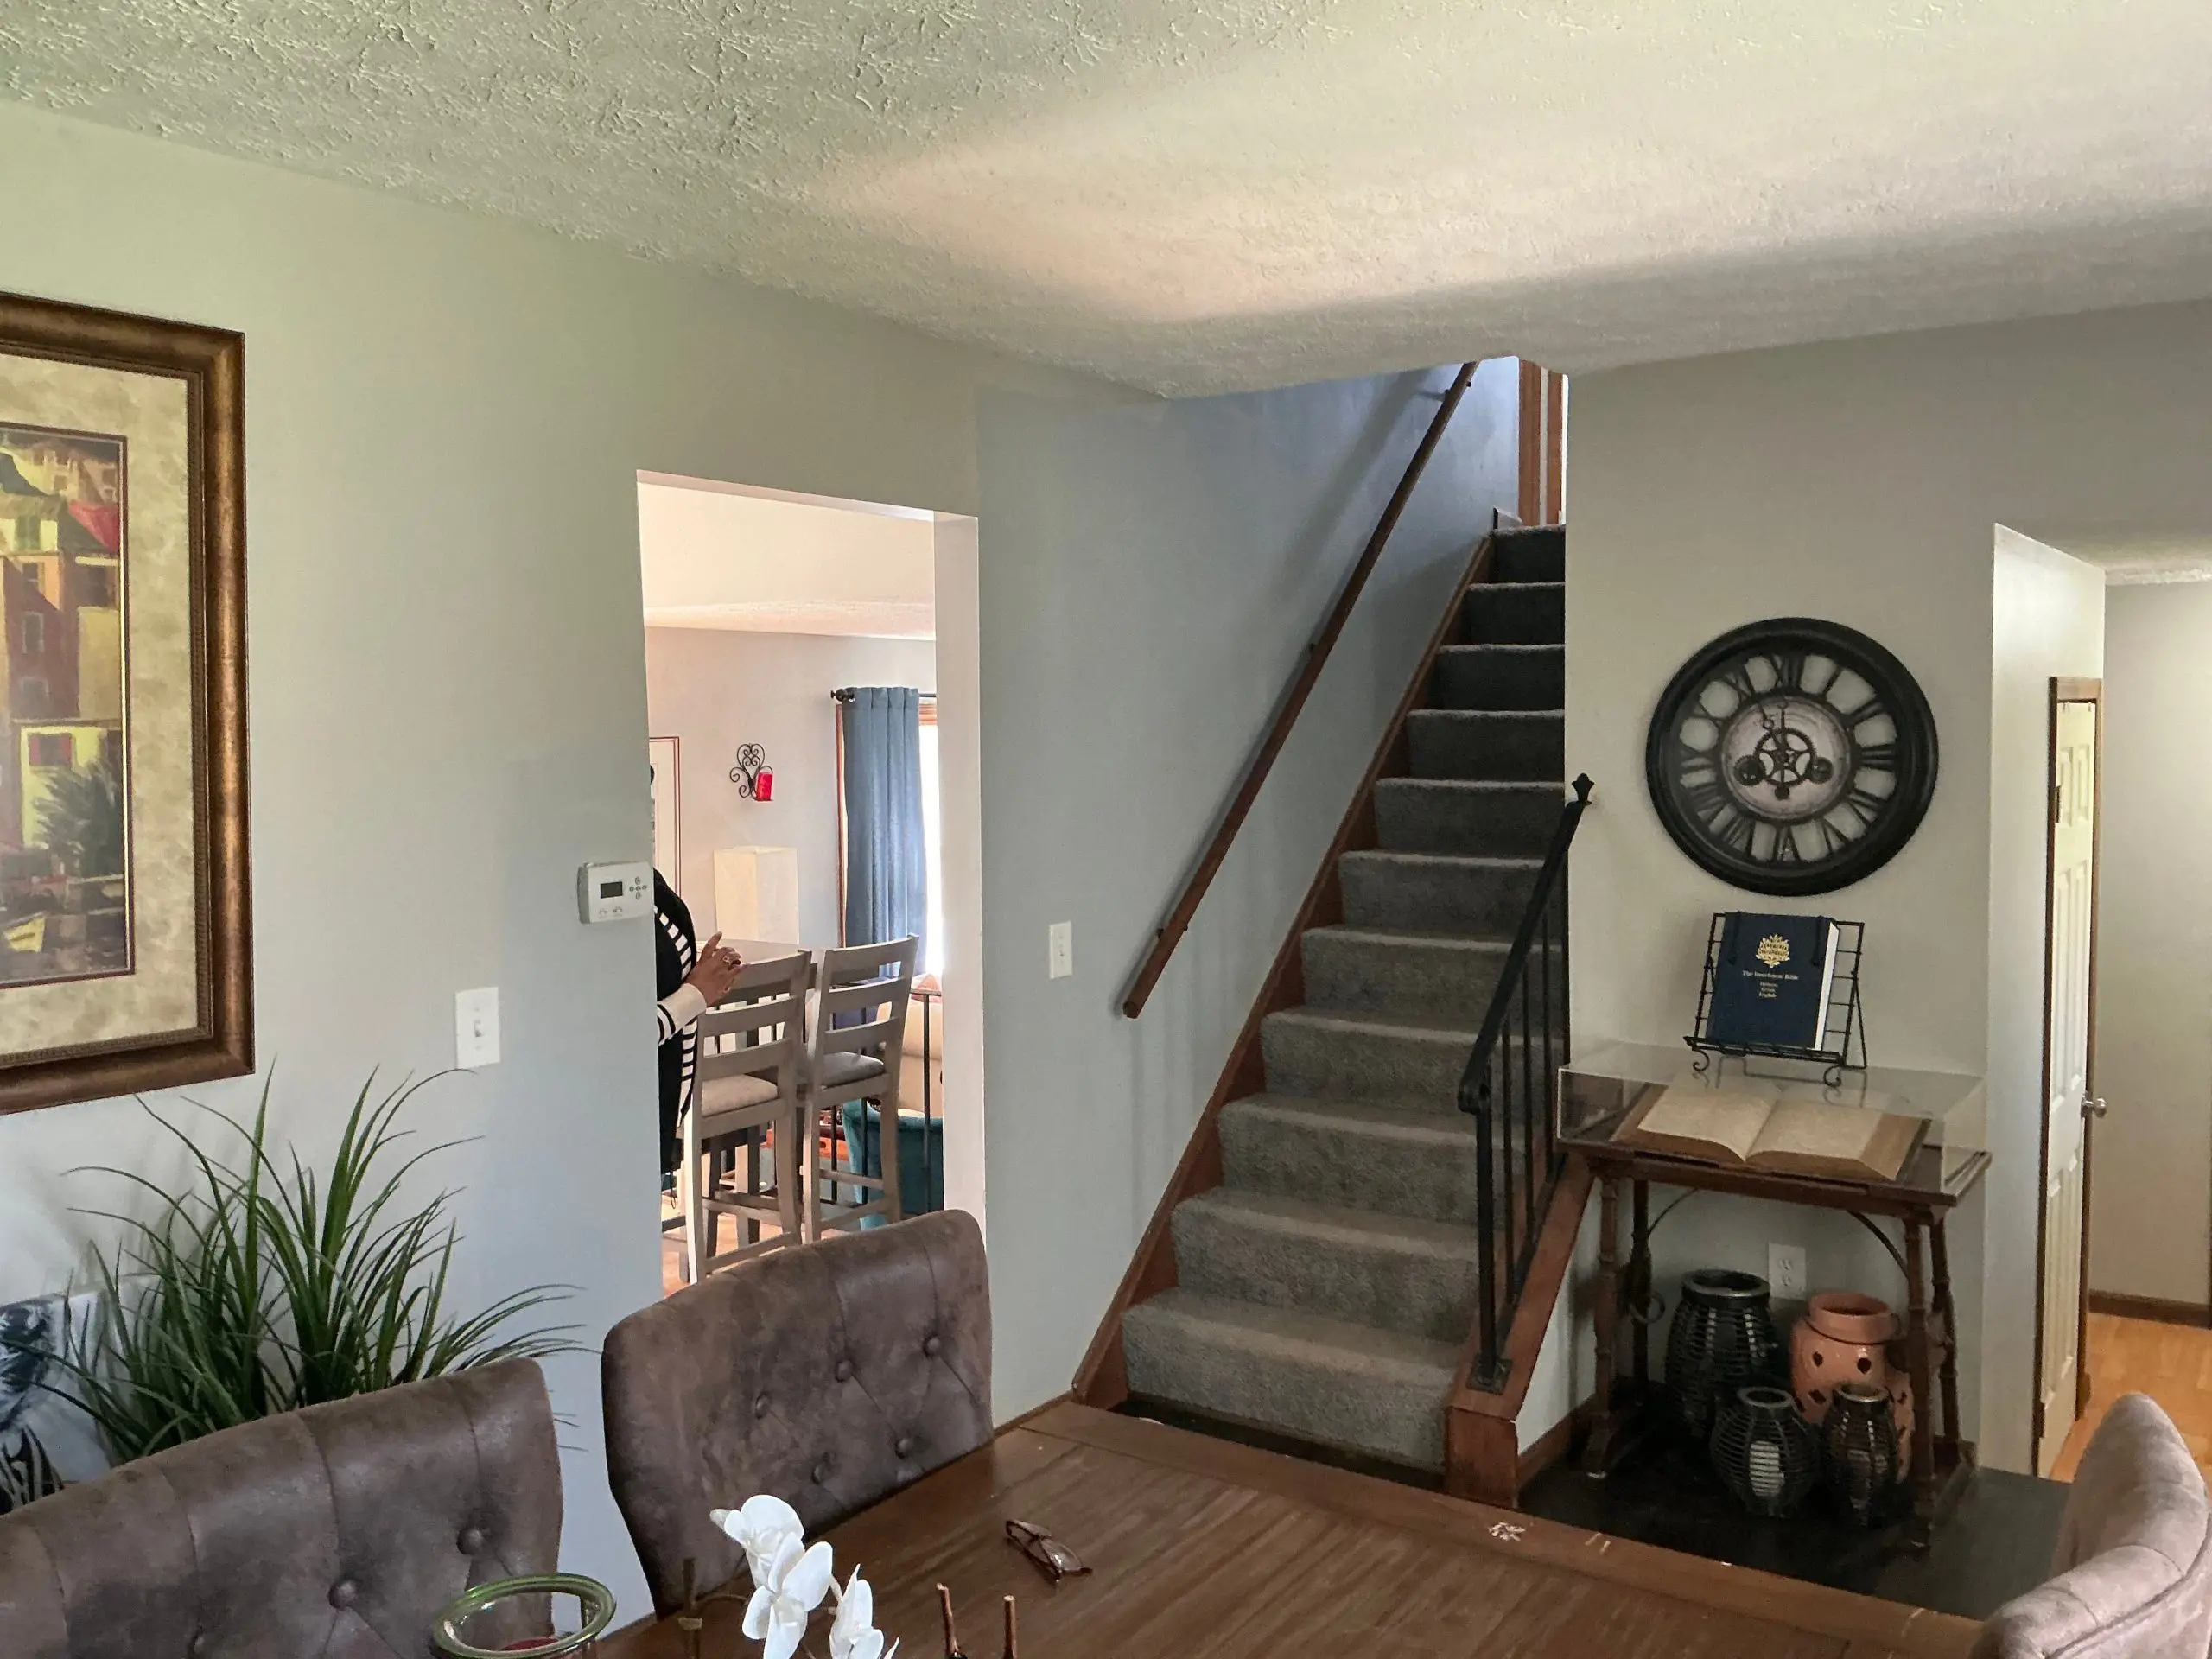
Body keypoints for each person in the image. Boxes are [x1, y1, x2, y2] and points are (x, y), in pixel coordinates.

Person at [655, 867, 743, 1183]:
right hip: (626, 1114)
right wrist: (696, 993)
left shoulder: (647, 884)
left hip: (662, 1107)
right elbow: (624, 1031)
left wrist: (700, 979)